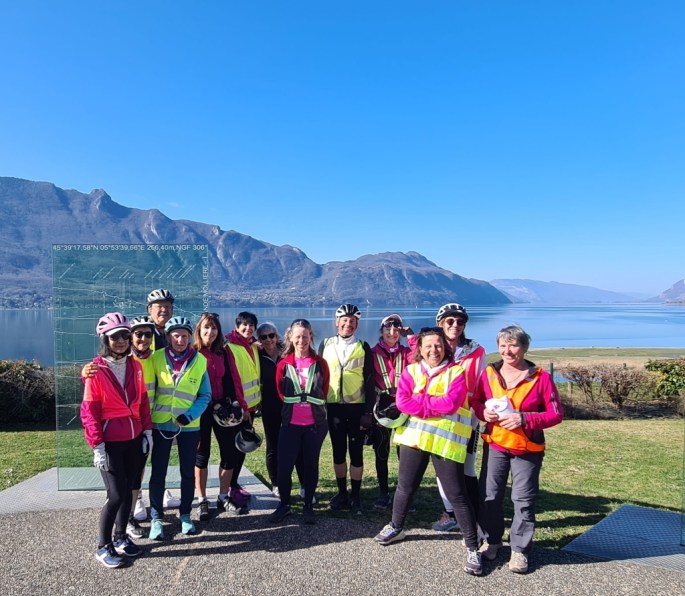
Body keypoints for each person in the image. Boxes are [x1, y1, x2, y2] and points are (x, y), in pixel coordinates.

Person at [374, 327, 483, 577]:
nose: (434, 350)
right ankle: (396, 526)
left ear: (445, 347)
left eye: (438, 345)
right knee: (405, 487)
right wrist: (431, 405)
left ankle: (472, 546)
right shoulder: (411, 371)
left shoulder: (456, 372)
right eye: (428, 346)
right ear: (420, 349)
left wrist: (420, 404)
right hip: (414, 439)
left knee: (457, 494)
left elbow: (451, 403)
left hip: (445, 443)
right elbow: (402, 401)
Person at [472, 325, 563, 574]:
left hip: (527, 448)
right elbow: (476, 401)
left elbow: (555, 414)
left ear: (524, 348)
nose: (507, 351)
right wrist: (483, 413)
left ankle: (519, 550)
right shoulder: (489, 373)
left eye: (513, 345)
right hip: (496, 444)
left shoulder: (540, 378)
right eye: (503, 345)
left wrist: (524, 419)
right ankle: (491, 541)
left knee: (523, 500)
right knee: (490, 496)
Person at [80, 312, 152, 568]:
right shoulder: (95, 370)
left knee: (129, 489)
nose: (121, 341)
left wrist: (147, 431)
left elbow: (142, 402)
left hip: (134, 437)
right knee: (116, 494)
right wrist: (97, 446)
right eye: (115, 337)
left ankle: (121, 536)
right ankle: (103, 546)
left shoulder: (135, 366)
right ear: (105, 340)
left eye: (124, 335)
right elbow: (89, 412)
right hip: (110, 441)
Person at [148, 316, 211, 539]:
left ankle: (185, 514)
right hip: (161, 423)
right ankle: (156, 517)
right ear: (168, 337)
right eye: (176, 335)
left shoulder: (200, 360)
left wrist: (190, 415)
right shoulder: (156, 358)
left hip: (189, 425)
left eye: (185, 336)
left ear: (190, 337)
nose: (181, 340)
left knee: (187, 472)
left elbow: (205, 395)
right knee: (158, 472)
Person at [429, 303, 487, 532]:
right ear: (440, 323)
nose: (455, 325)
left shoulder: (476, 352)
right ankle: (451, 514)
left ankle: (474, 517)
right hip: (439, 420)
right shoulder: (434, 349)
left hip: (467, 420)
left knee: (467, 470)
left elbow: (482, 385)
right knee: (443, 470)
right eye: (450, 321)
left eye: (460, 321)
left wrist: (478, 414)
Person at [268, 319, 330, 524]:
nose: (301, 340)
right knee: (284, 467)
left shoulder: (320, 363)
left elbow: (324, 390)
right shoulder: (284, 364)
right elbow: (280, 392)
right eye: (297, 336)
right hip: (291, 424)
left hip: (315, 425)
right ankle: (284, 505)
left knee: (310, 465)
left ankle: (308, 506)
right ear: (290, 338)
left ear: (311, 336)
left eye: (305, 336)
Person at [318, 303, 375, 515]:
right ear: (337, 322)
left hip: (357, 409)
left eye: (352, 321)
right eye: (344, 320)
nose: (348, 324)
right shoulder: (325, 344)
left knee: (357, 453)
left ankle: (356, 496)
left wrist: (368, 412)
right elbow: (318, 377)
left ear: (357, 324)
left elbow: (369, 380)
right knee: (338, 452)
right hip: (333, 408)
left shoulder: (363, 346)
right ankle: (342, 493)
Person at [193, 313, 247, 521]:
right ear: (199, 330)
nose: (210, 331)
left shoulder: (223, 352)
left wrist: (240, 405)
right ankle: (202, 500)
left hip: (223, 409)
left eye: (214, 328)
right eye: (206, 327)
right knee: (201, 455)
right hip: (201, 410)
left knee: (229, 453)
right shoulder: (193, 353)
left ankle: (223, 497)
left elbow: (234, 379)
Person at [369, 314, 413, 510]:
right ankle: (383, 493)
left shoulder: (406, 351)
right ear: (382, 330)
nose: (392, 333)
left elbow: (420, 356)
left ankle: (405, 495)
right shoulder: (372, 352)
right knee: (382, 451)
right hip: (383, 406)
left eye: (396, 330)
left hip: (405, 405)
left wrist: (410, 335)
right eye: (388, 329)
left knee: (405, 453)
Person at [224, 311, 258, 512]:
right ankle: (230, 487)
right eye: (244, 325)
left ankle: (234, 483)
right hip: (239, 408)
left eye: (251, 325)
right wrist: (243, 407)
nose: (248, 328)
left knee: (243, 446)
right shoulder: (230, 347)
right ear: (237, 327)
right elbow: (234, 379)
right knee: (235, 448)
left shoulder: (251, 345)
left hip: (251, 406)